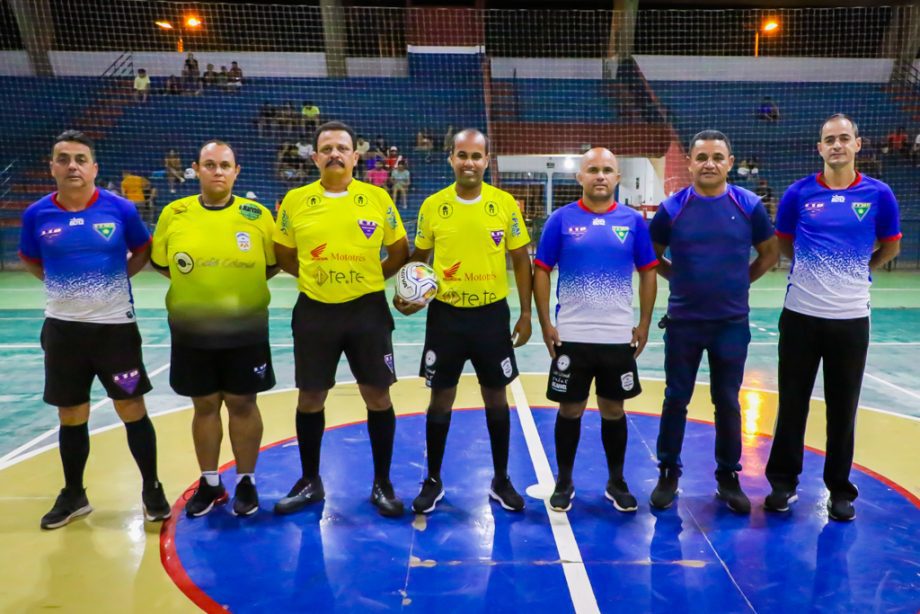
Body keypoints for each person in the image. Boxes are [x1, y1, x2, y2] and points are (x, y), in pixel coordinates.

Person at [18, 130, 170, 529]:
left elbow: (142, 250)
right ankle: (74, 494)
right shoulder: (36, 214)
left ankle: (151, 487)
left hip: (115, 330)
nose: (72, 166)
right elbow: (32, 260)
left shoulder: (120, 209)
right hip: (64, 332)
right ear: (52, 167)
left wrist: (113, 283)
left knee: (131, 407)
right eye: (64, 158)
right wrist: (64, 291)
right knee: (71, 414)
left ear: (94, 167)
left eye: (80, 159)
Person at [764, 114, 901, 522]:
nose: (837, 145)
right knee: (792, 404)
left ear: (859, 145)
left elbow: (891, 246)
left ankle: (839, 489)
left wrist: (858, 271)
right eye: (829, 139)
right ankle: (783, 484)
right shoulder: (798, 193)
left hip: (851, 320)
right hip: (801, 317)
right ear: (819, 148)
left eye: (844, 138)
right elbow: (785, 243)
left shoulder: (879, 194)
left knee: (843, 407)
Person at [273, 121, 410, 517]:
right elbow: (283, 253)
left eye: (342, 148)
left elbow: (399, 250)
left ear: (355, 156)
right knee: (310, 396)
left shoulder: (377, 198)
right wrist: (313, 276)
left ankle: (382, 483)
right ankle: (310, 481)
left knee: (378, 395)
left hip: (367, 310)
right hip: (315, 310)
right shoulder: (296, 200)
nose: (335, 153)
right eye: (327, 148)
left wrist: (372, 280)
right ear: (315, 157)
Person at [394, 128, 533, 514]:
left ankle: (501, 479)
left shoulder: (504, 204)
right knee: (441, 397)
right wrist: (406, 293)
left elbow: (521, 259)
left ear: (487, 160)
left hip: (491, 316)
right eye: (462, 155)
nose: (469, 162)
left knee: (496, 396)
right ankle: (433, 479)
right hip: (446, 316)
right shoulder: (433, 206)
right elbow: (419, 257)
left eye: (476, 156)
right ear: (451, 159)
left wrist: (525, 312)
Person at [648, 130, 778, 514]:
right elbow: (652, 257)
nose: (709, 164)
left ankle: (727, 477)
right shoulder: (672, 208)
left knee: (728, 402)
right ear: (689, 163)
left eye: (717, 157)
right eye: (701, 157)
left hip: (730, 325)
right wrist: (683, 280)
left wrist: (740, 281)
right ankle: (668, 471)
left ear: (729, 162)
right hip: (684, 323)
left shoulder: (749, 204)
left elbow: (769, 254)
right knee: (676, 399)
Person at [151, 140, 279, 518]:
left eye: (225, 165)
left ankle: (246, 481)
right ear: (196, 169)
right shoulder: (175, 213)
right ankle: (210, 482)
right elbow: (162, 263)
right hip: (192, 331)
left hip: (246, 330)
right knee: (204, 404)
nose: (218, 171)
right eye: (210, 164)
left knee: (243, 403)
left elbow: (271, 264)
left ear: (236, 171)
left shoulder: (257, 216)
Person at [533, 148, 658, 513]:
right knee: (570, 410)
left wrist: (645, 323)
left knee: (613, 410)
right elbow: (541, 269)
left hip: (617, 337)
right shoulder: (561, 220)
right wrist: (546, 324)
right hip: (571, 335)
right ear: (580, 177)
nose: (600, 176)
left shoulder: (633, 221)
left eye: (607, 170)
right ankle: (565, 480)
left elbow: (649, 270)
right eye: (593, 170)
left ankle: (616, 481)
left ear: (617, 178)